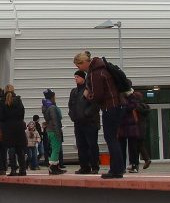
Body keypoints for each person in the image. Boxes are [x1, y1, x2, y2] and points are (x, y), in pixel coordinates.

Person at [74, 51, 125, 179]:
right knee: (114, 138)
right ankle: (118, 168)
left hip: (110, 107)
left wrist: (88, 95)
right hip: (117, 105)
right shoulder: (103, 68)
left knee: (111, 138)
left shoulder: (95, 73)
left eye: (78, 66)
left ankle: (116, 170)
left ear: (84, 63)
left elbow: (98, 95)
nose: (78, 69)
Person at [68, 70, 100, 174]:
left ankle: (94, 166)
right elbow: (71, 106)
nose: (75, 79)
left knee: (92, 145)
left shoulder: (89, 89)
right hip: (78, 123)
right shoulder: (74, 92)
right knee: (81, 145)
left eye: (77, 77)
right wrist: (72, 116)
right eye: (75, 77)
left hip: (90, 122)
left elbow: (95, 104)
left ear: (83, 78)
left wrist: (86, 114)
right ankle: (84, 166)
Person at [0, 84, 28, 176]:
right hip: (19, 126)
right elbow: (22, 113)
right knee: (20, 149)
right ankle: (23, 170)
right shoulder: (18, 100)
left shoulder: (2, 101)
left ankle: (13, 170)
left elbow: (1, 116)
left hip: (8, 128)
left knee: (11, 148)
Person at [41, 89, 66, 175]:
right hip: (54, 130)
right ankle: (52, 167)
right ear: (51, 97)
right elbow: (55, 120)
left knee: (54, 148)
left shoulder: (46, 106)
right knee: (56, 149)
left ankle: (56, 167)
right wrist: (58, 132)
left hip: (50, 130)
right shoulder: (52, 107)